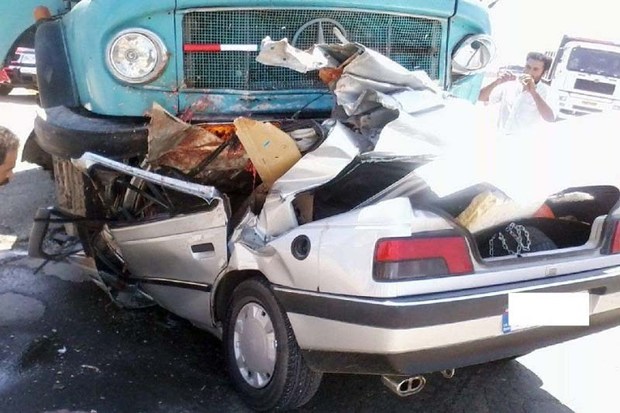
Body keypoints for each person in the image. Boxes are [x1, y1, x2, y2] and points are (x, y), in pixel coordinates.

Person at [479, 52, 558, 134]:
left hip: (523, 143)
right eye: (528, 67)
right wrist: (497, 82)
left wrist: (533, 93)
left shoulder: (548, 91)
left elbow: (550, 118)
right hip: (499, 137)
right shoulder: (510, 84)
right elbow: (481, 97)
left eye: (535, 69)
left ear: (543, 73)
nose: (529, 72)